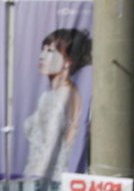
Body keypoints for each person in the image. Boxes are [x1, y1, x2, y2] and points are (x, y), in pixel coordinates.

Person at [21, 28, 90, 183]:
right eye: (43, 50)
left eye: (50, 51)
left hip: (42, 182)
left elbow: (46, 150)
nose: (42, 56)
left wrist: (32, 185)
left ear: (68, 60)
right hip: (64, 179)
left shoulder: (51, 98)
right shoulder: (75, 92)